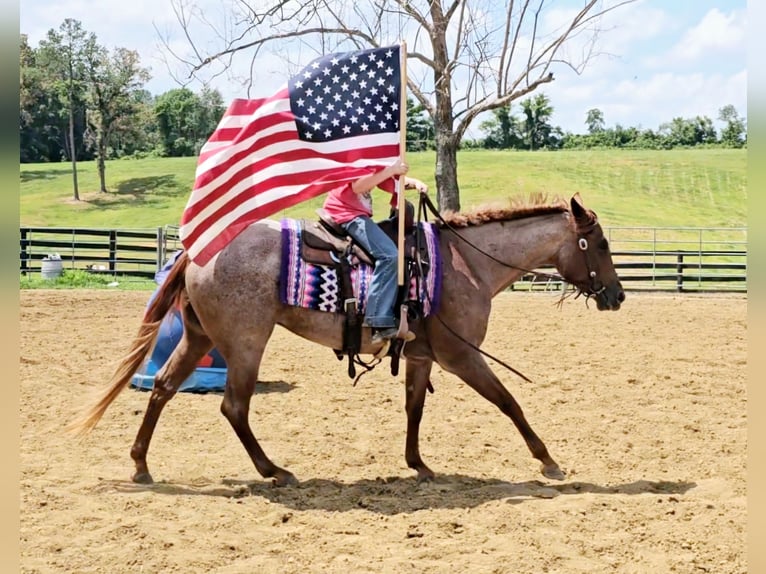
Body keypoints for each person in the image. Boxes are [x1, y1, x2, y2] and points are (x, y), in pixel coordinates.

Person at [322, 158, 428, 344]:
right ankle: (378, 320)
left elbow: (389, 182)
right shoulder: (360, 156)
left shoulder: (372, 157)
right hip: (347, 214)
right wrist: (391, 169)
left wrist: (413, 182)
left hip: (353, 213)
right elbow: (358, 186)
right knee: (389, 256)